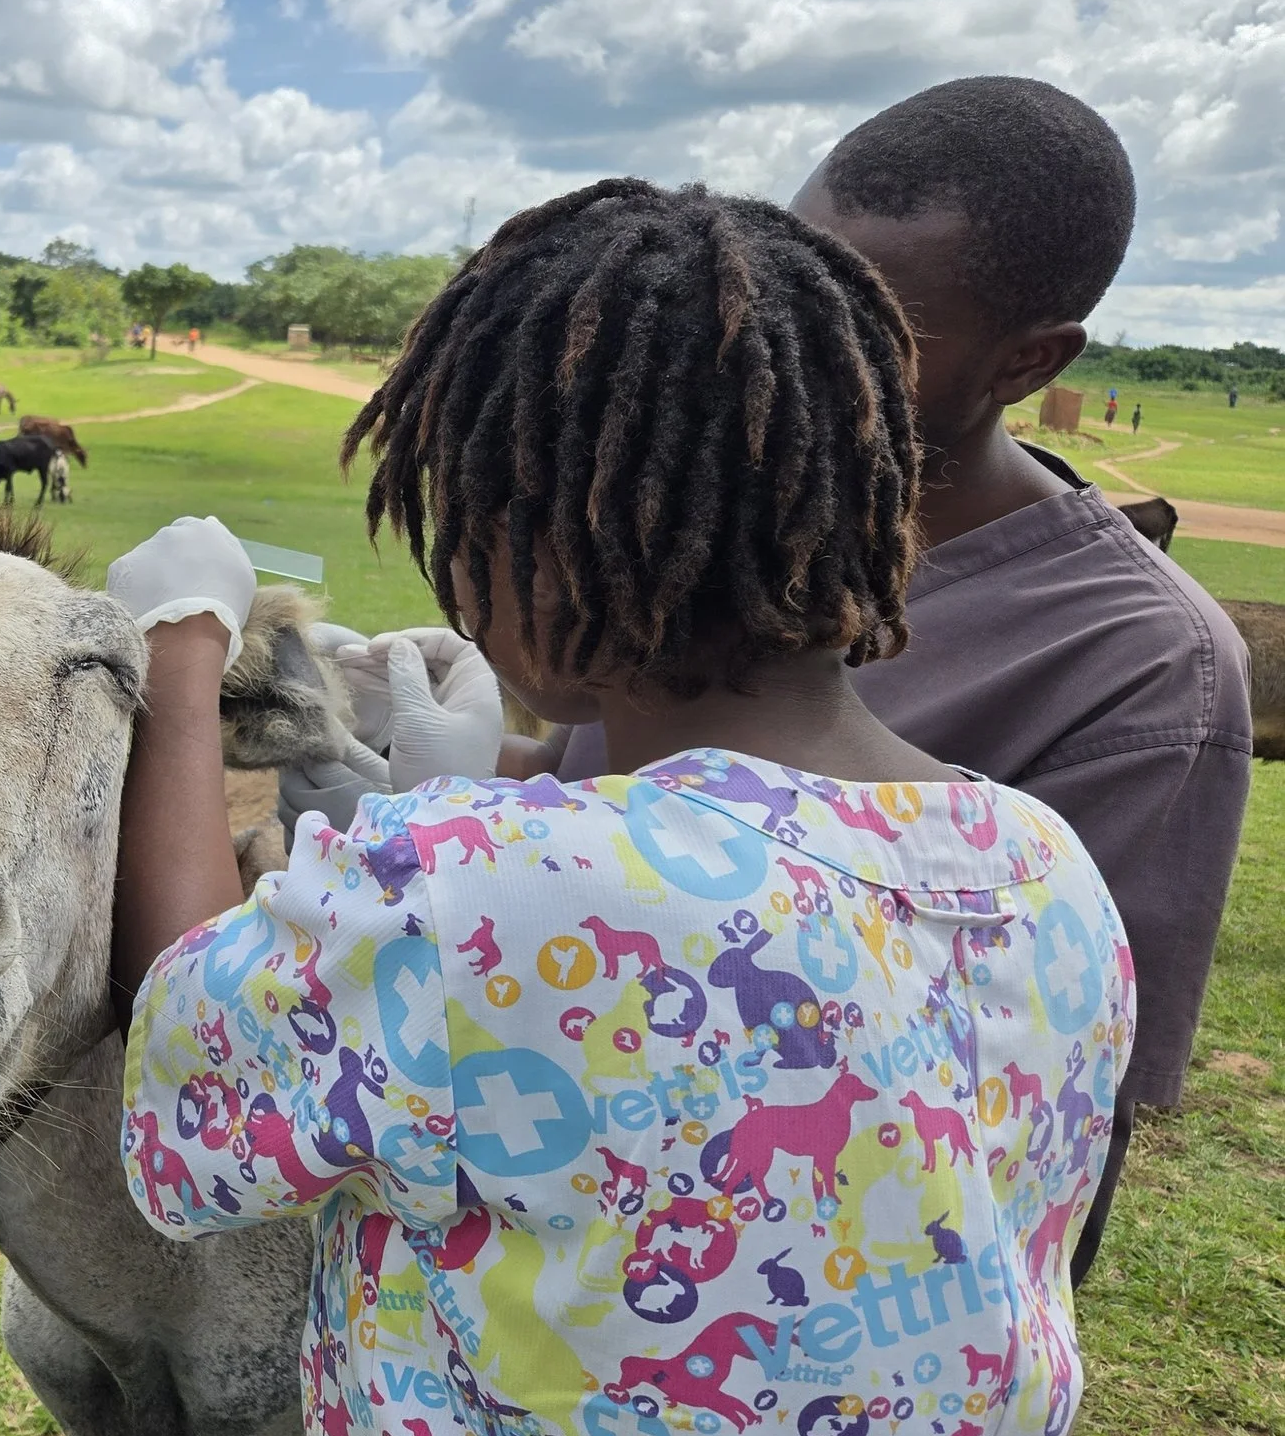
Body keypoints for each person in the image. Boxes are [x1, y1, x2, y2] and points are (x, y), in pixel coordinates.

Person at [105, 181, 1132, 1436]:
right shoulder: (1046, 867)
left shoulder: (468, 893)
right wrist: (481, 788)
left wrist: (181, 648)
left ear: (529, 534)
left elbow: (182, 1073)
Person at [409, 78, 1241, 1288]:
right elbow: (613, 783)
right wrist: (481, 768)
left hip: (792, 1292)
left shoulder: (1142, 669)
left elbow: (1050, 1106)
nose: (775, 339)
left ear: (1033, 360)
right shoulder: (718, 505)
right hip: (533, 1199)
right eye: (796, 275)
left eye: (878, 317)